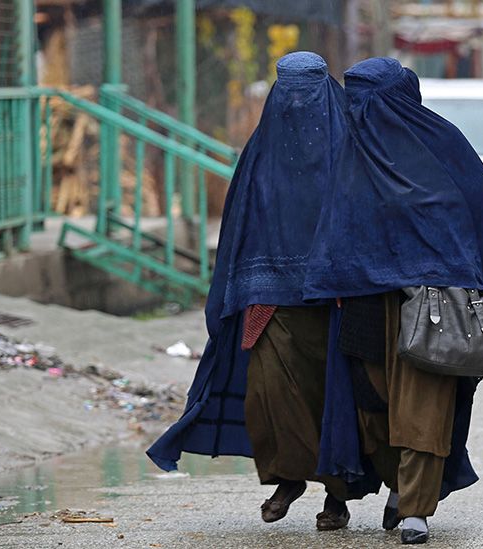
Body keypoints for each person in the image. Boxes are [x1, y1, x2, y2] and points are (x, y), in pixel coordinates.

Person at [147, 51, 361, 530]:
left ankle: (337, 496)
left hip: (337, 300)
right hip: (270, 300)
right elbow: (240, 226)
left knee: (335, 401)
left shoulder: (351, 148)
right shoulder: (261, 154)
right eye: (288, 88)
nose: (298, 100)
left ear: (325, 89)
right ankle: (288, 478)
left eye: (307, 88)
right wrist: (237, 289)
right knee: (270, 394)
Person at [304, 57, 483, 544]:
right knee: (373, 403)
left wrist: (438, 256)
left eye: (368, 97)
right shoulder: (349, 149)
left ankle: (415, 509)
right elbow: (333, 219)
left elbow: (473, 195)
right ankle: (396, 487)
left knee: (424, 405)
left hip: (431, 299)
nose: (358, 109)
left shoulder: (440, 145)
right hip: (366, 298)